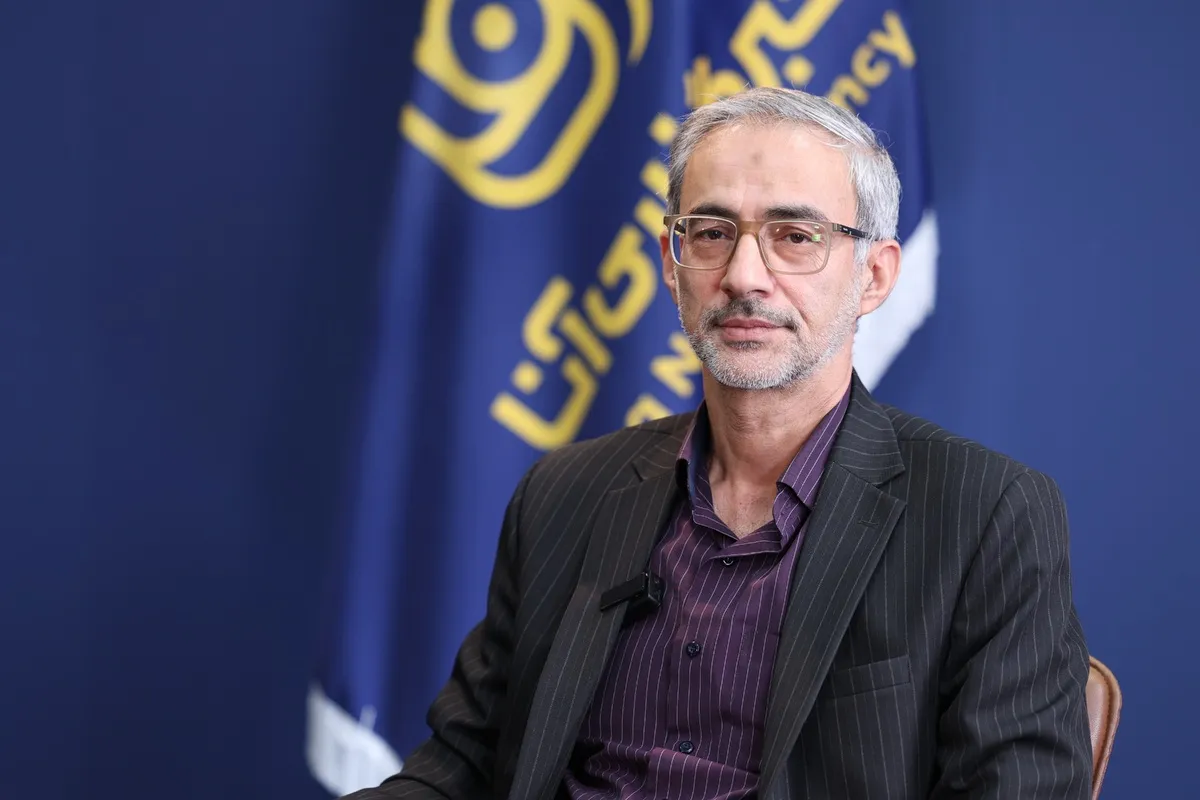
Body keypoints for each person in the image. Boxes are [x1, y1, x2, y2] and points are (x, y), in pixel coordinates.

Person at [345, 86, 1094, 800]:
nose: (743, 276)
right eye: (710, 233)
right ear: (671, 265)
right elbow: (461, 767)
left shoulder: (985, 514)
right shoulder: (563, 494)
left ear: (874, 275)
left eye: (794, 236)